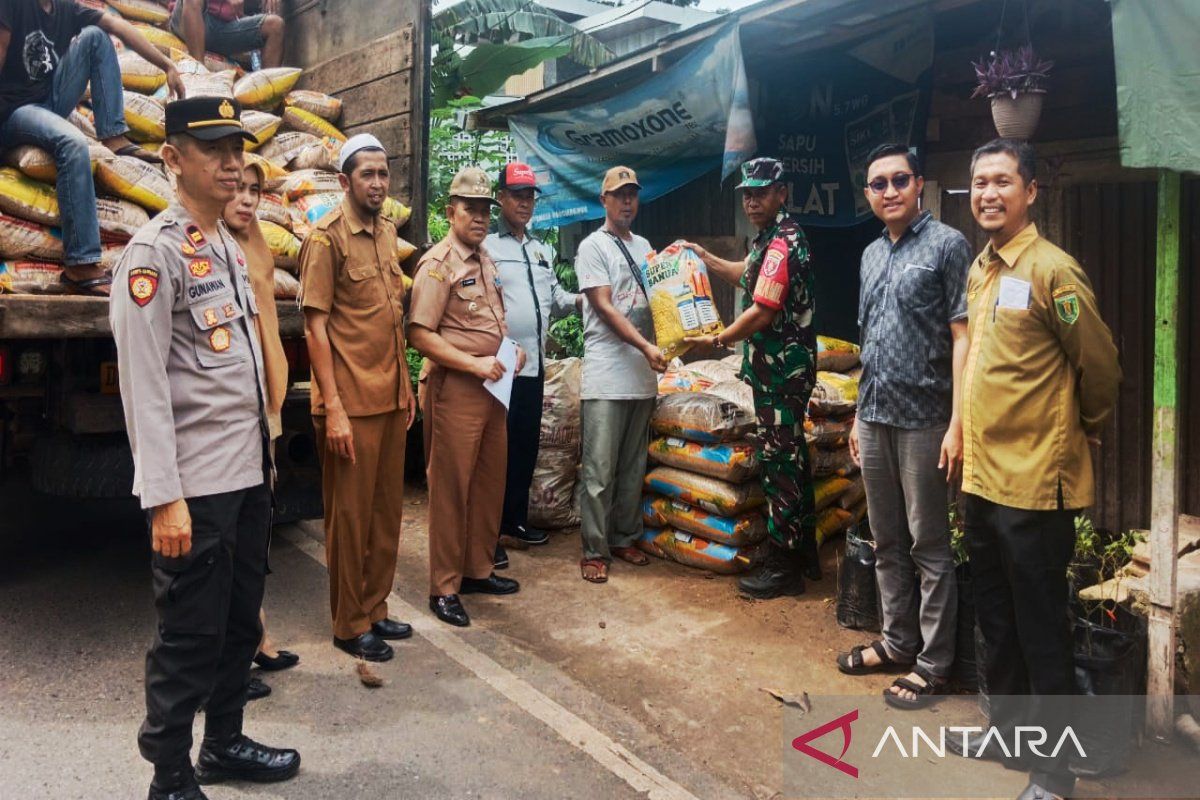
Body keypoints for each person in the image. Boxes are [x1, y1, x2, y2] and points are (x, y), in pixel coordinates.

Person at [109, 96, 298, 800]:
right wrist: (164, 498)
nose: (231, 163)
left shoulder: (219, 242)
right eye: (213, 148)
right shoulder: (153, 254)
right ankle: (169, 774)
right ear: (172, 158)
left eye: (237, 150)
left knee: (240, 620)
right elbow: (144, 384)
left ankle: (223, 743)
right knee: (188, 633)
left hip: (247, 473)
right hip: (196, 486)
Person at [946, 139, 1120, 800]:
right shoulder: (982, 269)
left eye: (1001, 182)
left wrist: (1091, 427)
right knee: (996, 615)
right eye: (979, 181)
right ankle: (1008, 731)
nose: (988, 193)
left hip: (1036, 484)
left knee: (1042, 624)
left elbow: (1097, 363)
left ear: (1030, 191)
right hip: (984, 479)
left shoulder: (1055, 273)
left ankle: (1055, 770)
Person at [833, 143, 972, 709]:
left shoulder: (948, 246)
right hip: (875, 415)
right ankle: (896, 641)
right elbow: (871, 341)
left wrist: (958, 423)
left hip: (925, 420)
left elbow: (964, 336)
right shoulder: (868, 255)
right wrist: (856, 414)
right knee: (885, 538)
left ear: (920, 184)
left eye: (898, 180)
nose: (888, 191)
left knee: (928, 544)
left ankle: (934, 663)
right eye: (877, 184)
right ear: (868, 194)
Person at [299, 133, 415, 660]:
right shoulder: (326, 239)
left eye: (383, 174)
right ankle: (348, 624)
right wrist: (335, 408)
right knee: (348, 518)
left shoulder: (388, 232)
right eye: (367, 174)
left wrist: (407, 385)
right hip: (350, 402)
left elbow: (392, 317)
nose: (377, 182)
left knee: (385, 513)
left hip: (389, 397)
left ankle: (375, 607)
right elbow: (315, 329)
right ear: (345, 181)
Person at [685, 157, 819, 599]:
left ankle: (784, 569)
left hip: (782, 373)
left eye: (762, 191)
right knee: (791, 457)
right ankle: (804, 556)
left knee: (781, 466)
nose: (753, 199)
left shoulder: (783, 243)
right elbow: (746, 273)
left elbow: (761, 309)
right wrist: (704, 259)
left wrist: (718, 339)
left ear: (782, 193)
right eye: (747, 192)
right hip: (779, 372)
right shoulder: (771, 241)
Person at [0, 0, 184, 295]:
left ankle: (113, 134)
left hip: (49, 101)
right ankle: (80, 264)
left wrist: (167, 65)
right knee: (73, 144)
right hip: (14, 111)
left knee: (96, 36)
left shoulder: (65, 9)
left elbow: (118, 26)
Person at [409, 166, 525, 627]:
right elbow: (419, 333)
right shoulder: (439, 264)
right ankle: (443, 586)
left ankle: (477, 570)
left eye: (484, 210)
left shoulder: (485, 258)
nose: (478, 217)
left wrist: (508, 353)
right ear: (450, 211)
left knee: (488, 482)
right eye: (470, 209)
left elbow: (489, 321)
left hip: (493, 388)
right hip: (457, 388)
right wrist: (473, 363)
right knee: (451, 488)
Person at [222, 160, 299, 700]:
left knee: (256, 529)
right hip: (232, 408)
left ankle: (255, 635)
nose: (248, 200)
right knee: (225, 537)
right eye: (239, 190)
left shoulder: (258, 245)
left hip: (263, 407)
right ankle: (231, 658)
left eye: (255, 191)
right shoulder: (207, 249)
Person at [484, 161, 580, 564]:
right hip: (501, 367)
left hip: (535, 366)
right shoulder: (487, 248)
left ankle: (514, 522)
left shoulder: (540, 249)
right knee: (495, 450)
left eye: (530, 196)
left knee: (525, 446)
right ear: (501, 199)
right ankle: (488, 534)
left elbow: (557, 301)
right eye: (517, 195)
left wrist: (591, 297)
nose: (525, 203)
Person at [575, 166, 667, 584]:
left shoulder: (646, 245)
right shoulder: (592, 247)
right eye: (618, 194)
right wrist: (646, 346)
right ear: (604, 200)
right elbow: (605, 307)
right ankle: (594, 549)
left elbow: (662, 299)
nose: (627, 201)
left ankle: (624, 536)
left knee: (632, 466)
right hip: (607, 373)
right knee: (599, 469)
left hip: (642, 376)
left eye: (632, 194)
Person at [168, 0, 284, 69]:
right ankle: (199, 70)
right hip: (187, 20)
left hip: (222, 28)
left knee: (275, 26)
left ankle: (267, 101)